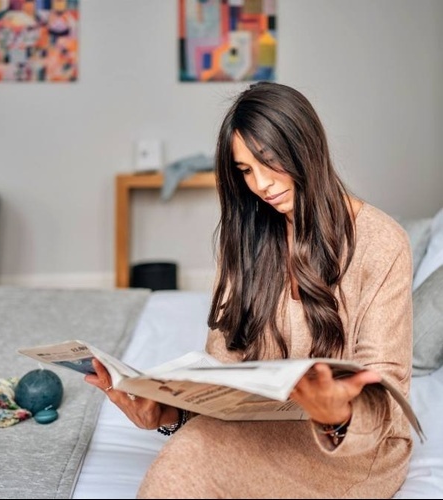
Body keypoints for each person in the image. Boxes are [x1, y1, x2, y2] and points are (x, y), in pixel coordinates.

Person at [85, 81, 413, 498]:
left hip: (353, 450)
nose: (260, 185)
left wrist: (338, 414)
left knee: (188, 461)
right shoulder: (248, 239)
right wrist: (165, 412)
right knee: (190, 452)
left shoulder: (381, 241)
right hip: (265, 427)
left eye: (269, 161)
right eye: (244, 171)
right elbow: (222, 374)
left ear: (305, 147)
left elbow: (387, 383)